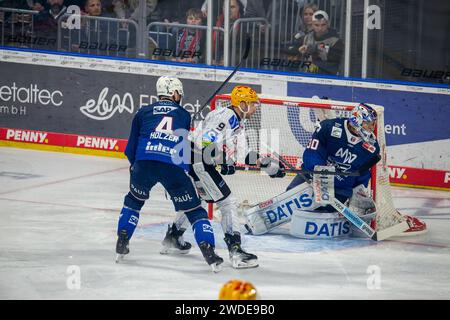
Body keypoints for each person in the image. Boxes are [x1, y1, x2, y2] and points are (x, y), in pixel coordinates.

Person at [160, 85, 285, 269]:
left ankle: (173, 237)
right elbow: (204, 144)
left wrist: (267, 165)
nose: (255, 108)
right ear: (241, 104)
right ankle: (236, 251)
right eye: (252, 104)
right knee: (228, 203)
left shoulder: (237, 121)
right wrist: (224, 160)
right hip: (197, 162)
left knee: (199, 202)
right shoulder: (225, 117)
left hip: (196, 161)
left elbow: (242, 155)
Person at [115, 76, 224, 272]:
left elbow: (130, 148)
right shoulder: (183, 114)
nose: (180, 97)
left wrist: (136, 168)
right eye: (179, 94)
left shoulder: (142, 112)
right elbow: (184, 147)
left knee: (133, 200)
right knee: (195, 210)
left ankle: (122, 239)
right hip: (172, 166)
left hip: (144, 164)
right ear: (174, 93)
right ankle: (209, 251)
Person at [297, 10, 344, 75]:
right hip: (309, 74)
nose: (320, 28)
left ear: (328, 24)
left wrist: (315, 48)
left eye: (323, 25)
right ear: (312, 24)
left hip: (328, 76)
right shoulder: (307, 37)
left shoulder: (336, 40)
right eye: (317, 25)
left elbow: (336, 58)